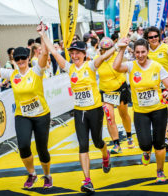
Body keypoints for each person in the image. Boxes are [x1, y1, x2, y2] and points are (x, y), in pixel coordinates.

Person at [38, 24, 118, 193]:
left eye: (77, 53)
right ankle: (87, 180)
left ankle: (105, 155)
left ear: (84, 54)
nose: (74, 56)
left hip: (95, 110)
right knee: (83, 145)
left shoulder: (90, 66)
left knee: (97, 142)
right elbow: (53, 51)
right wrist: (43, 34)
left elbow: (103, 57)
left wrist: (117, 46)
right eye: (72, 53)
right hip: (80, 112)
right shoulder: (69, 68)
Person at [0, 32, 53, 189]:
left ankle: (47, 175)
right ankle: (32, 174)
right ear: (14, 60)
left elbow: (45, 53)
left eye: (23, 58)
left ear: (28, 58)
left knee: (42, 149)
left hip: (41, 115)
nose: (20, 61)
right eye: (17, 58)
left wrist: (43, 34)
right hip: (23, 116)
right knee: (23, 146)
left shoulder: (36, 71)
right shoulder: (12, 74)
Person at [113, 38, 168, 183]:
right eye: (137, 52)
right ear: (133, 52)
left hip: (159, 109)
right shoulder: (130, 65)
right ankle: (146, 152)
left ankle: (160, 170)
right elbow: (115, 67)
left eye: (143, 52)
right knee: (145, 144)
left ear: (147, 52)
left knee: (159, 144)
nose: (140, 55)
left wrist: (167, 92)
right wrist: (121, 49)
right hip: (141, 112)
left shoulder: (157, 66)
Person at [96, 37, 134, 153]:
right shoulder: (98, 59)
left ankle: (129, 135)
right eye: (103, 49)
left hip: (120, 89)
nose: (105, 51)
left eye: (108, 49)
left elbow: (129, 65)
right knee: (110, 118)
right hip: (106, 92)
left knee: (123, 114)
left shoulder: (119, 56)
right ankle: (116, 144)